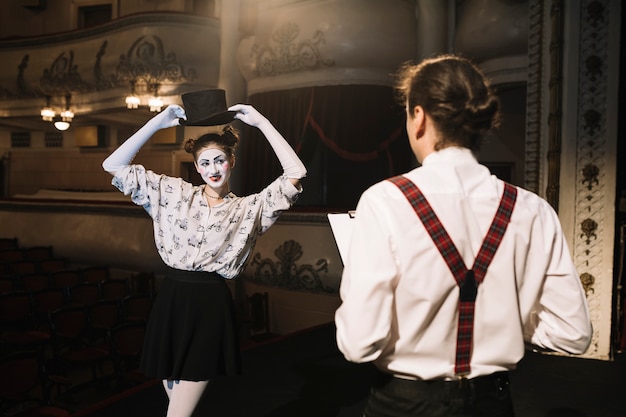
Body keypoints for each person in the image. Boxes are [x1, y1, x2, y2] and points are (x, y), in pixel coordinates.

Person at [334, 54, 592, 417]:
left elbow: (359, 344)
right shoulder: (533, 210)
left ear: (419, 117)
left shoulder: (385, 201)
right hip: (492, 403)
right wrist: (506, 321)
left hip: (405, 404)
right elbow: (573, 334)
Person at [102, 91, 306, 417]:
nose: (213, 169)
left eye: (219, 160)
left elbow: (295, 174)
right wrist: (159, 122)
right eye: (205, 163)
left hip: (210, 304)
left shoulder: (248, 209)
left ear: (232, 162)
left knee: (178, 413)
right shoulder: (173, 193)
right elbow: (113, 164)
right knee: (176, 403)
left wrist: (262, 123)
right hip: (172, 299)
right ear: (196, 167)